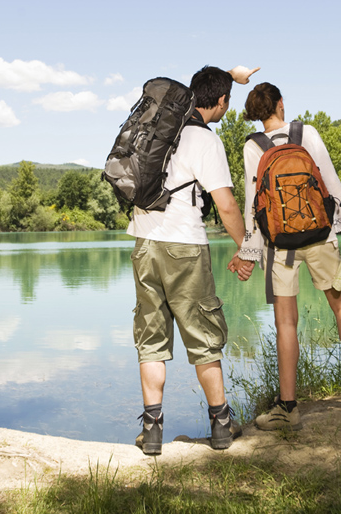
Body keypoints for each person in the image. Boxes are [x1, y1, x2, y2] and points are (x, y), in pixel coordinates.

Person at [230, 81, 341, 431]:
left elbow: (252, 202)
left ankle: (287, 408)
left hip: (279, 245)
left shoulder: (252, 147)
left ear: (257, 114)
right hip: (320, 236)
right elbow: (330, 182)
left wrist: (249, 252)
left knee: (286, 322)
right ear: (281, 104)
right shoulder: (308, 133)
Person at [128, 65, 258, 455]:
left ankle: (152, 433)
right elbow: (227, 205)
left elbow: (208, 79)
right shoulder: (205, 141)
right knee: (204, 337)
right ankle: (221, 425)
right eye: (226, 101)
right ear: (219, 102)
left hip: (144, 242)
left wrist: (230, 74)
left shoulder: (159, 130)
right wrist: (247, 248)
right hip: (183, 245)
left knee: (150, 339)